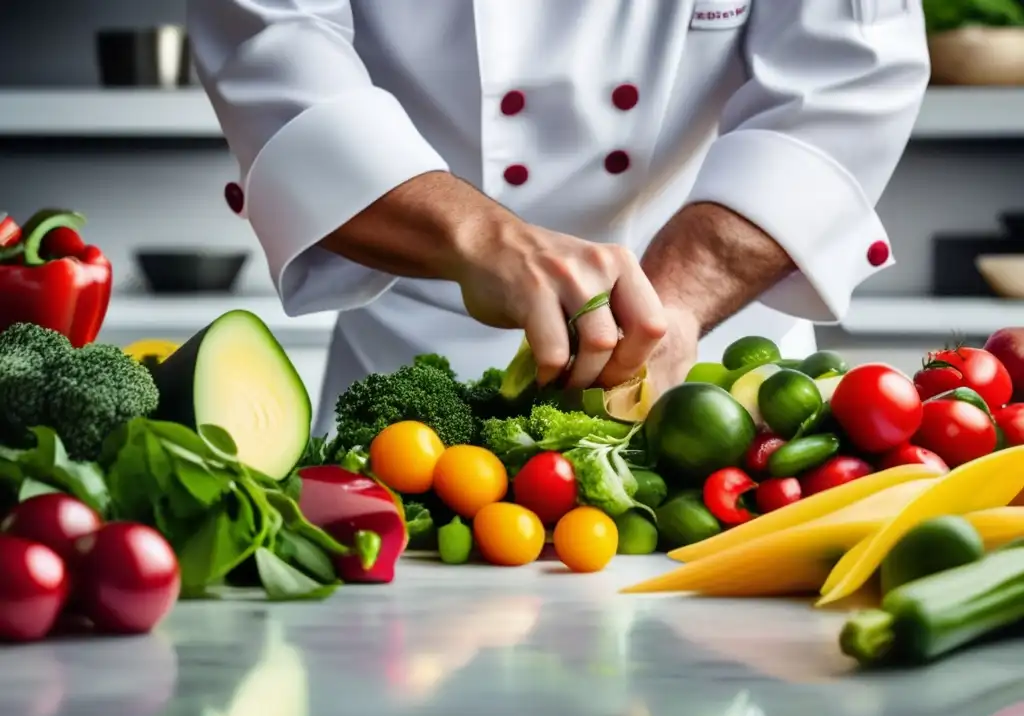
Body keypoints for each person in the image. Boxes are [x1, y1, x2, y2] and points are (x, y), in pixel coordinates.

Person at [187, 0, 930, 436]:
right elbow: (277, 51)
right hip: (412, 360)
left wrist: (668, 312)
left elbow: (852, 72)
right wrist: (479, 237)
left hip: (711, 380)